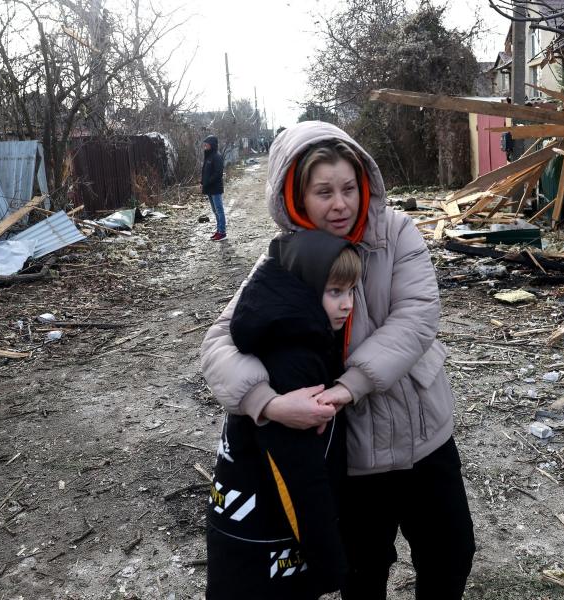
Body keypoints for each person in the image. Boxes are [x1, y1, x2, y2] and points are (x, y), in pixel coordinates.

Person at [201, 121, 475, 599]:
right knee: (362, 572)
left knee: (451, 553)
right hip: (352, 460)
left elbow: (417, 314)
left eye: (348, 188)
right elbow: (220, 342)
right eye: (323, 192)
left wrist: (349, 385)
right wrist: (266, 404)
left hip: (423, 434)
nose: (340, 203)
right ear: (296, 196)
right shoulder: (284, 259)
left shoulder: (395, 231)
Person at [206, 229, 360, 599]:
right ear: (304, 289)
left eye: (352, 291)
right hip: (266, 542)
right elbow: (298, 476)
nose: (347, 305)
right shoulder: (295, 362)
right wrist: (329, 562)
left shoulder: (272, 335)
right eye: (335, 291)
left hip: (238, 528)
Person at [202, 134, 226, 241]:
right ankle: (218, 230)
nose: (205, 146)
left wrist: (208, 181)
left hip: (215, 188)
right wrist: (202, 181)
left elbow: (218, 173)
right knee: (215, 211)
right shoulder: (208, 156)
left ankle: (222, 232)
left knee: (219, 210)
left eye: (206, 144)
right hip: (209, 188)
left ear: (211, 145)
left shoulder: (217, 156)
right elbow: (205, 171)